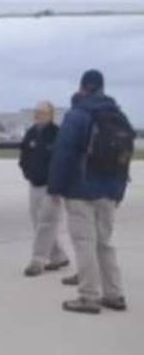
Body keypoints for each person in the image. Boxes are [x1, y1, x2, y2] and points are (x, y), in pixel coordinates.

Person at [49, 70, 134, 314]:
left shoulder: (78, 115)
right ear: (102, 87)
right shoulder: (118, 115)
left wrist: (55, 187)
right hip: (110, 191)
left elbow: (63, 154)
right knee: (105, 243)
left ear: (83, 87)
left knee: (85, 243)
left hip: (81, 190)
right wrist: (118, 192)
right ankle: (114, 294)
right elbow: (124, 159)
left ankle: (88, 296)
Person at [19, 100, 71, 277]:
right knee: (38, 223)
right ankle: (58, 256)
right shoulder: (31, 133)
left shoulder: (57, 134)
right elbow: (24, 156)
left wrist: (57, 186)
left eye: (41, 112)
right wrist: (27, 173)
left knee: (47, 224)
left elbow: (63, 162)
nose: (37, 115)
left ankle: (38, 260)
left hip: (52, 187)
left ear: (50, 115)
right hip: (34, 184)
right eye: (36, 111)